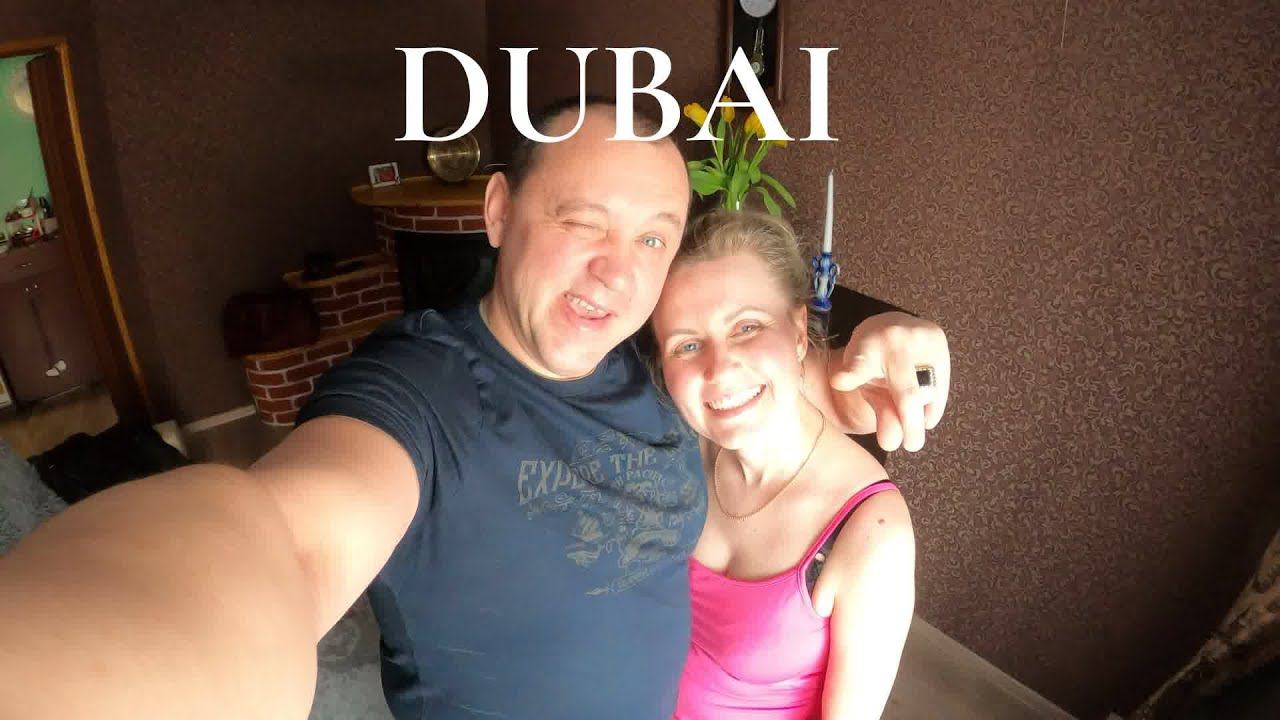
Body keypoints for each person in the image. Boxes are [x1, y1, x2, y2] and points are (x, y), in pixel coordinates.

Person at [0, 99, 949, 720]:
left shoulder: (656, 372)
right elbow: (282, 537)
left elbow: (743, 371)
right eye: (580, 223)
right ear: (498, 212)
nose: (615, 273)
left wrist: (872, 339)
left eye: (652, 239)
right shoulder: (414, 393)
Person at [650, 210, 914, 720]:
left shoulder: (871, 530)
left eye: (747, 327)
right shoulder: (682, 450)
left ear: (797, 332)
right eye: (687, 344)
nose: (719, 370)